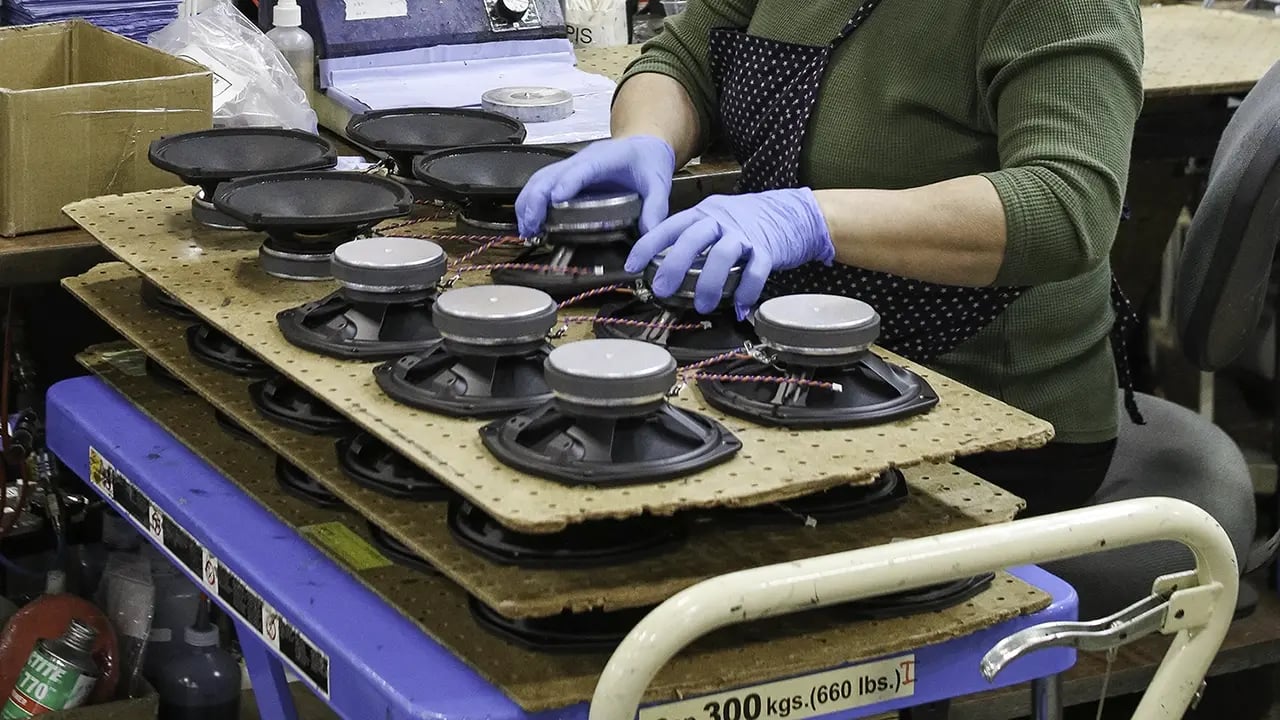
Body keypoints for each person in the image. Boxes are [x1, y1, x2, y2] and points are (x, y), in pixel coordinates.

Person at [515, 0, 1145, 516]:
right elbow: (685, 58)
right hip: (783, 370)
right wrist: (646, 138)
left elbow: (1069, 206)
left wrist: (809, 219)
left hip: (980, 414)